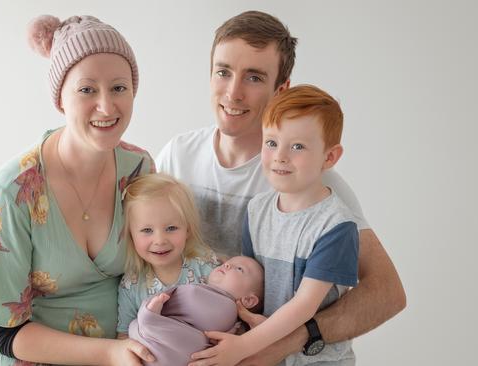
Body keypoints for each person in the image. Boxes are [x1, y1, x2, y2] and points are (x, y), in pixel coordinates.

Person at [156, 10, 406, 365]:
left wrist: (292, 338)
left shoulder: (313, 183)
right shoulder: (177, 156)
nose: (233, 92)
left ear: (281, 89)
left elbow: (387, 293)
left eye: (254, 77)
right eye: (223, 72)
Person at [0, 14, 157, 366]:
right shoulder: (13, 190)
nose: (106, 106)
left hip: (125, 350)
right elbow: (2, 331)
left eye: (119, 87)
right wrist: (110, 354)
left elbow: (155, 268)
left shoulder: (140, 168)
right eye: (87, 89)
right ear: (61, 99)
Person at [194, 85, 360, 366]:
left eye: (297, 146)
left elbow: (304, 305)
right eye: (271, 142)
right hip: (266, 353)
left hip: (315, 361)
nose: (280, 156)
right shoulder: (257, 210)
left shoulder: (336, 226)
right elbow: (252, 279)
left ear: (329, 157)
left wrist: (243, 346)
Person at [116, 173, 220, 338]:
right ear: (131, 235)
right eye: (147, 230)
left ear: (188, 229)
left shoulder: (204, 265)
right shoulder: (131, 284)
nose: (159, 240)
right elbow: (124, 335)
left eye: (171, 228)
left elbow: (229, 311)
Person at [129, 256, 264, 366]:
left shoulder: (227, 308)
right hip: (149, 347)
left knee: (199, 340)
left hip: (173, 353)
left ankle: (151, 321)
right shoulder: (206, 290)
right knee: (135, 324)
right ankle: (151, 322)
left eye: (239, 269)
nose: (227, 265)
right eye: (228, 263)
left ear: (248, 300)